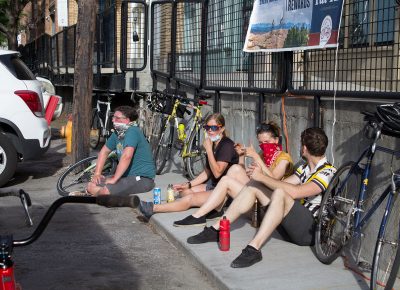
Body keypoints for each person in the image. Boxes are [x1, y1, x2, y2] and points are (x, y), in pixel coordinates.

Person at [186, 127, 336, 268]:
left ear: (304, 148)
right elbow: (281, 184)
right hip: (292, 225)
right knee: (255, 185)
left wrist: (262, 177)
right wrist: (259, 176)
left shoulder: (328, 171)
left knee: (279, 192)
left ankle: (254, 248)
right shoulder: (305, 168)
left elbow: (296, 192)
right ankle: (217, 228)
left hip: (309, 231)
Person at [173, 122, 293, 227]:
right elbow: (251, 177)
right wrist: (241, 156)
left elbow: (274, 181)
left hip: (271, 204)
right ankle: (214, 209)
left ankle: (201, 215)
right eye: (261, 142)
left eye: (267, 141)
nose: (263, 145)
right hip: (257, 196)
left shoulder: (284, 158)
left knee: (225, 181)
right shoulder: (264, 155)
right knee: (235, 168)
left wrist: (255, 156)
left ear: (276, 140)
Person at [137, 113, 239, 219]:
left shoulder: (226, 145)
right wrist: (188, 184)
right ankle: (206, 204)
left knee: (190, 198)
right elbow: (207, 172)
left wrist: (208, 150)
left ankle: (153, 208)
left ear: (221, 129)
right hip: (213, 186)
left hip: (224, 192)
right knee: (184, 192)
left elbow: (217, 173)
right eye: (207, 127)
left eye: (213, 128)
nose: (209, 131)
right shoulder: (213, 143)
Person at [75, 105, 156, 196]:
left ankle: (96, 194)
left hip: (142, 179)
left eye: (117, 118)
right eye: (113, 117)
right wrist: (97, 173)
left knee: (105, 191)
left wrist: (114, 179)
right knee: (91, 184)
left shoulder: (132, 131)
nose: (113, 120)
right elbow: (104, 152)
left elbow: (126, 156)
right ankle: (96, 192)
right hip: (125, 177)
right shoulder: (117, 133)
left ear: (128, 120)